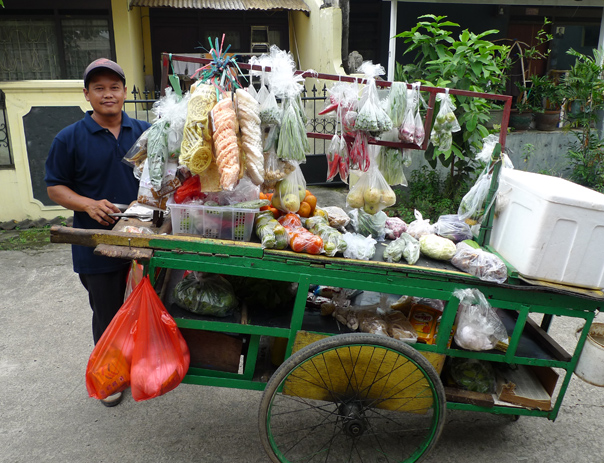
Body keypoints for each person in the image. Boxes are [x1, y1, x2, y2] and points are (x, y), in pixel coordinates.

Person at [45, 58, 151, 407]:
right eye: (100, 88)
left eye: (114, 87)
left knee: (145, 306)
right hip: (96, 243)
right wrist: (88, 204)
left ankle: (138, 365)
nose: (108, 94)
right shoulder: (69, 138)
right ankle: (108, 377)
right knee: (106, 312)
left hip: (145, 239)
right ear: (87, 94)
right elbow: (55, 188)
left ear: (124, 92)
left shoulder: (146, 132)